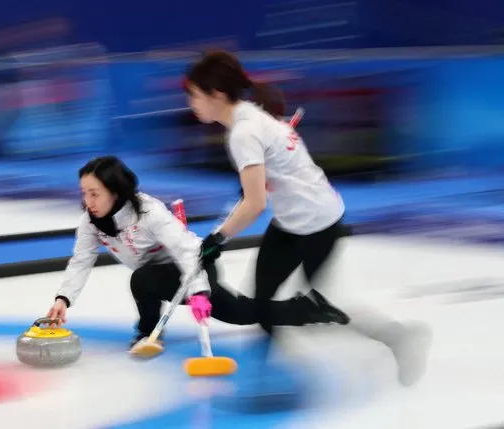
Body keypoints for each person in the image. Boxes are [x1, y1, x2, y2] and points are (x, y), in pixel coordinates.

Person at [183, 50, 431, 386]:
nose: (191, 103)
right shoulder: (251, 118)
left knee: (314, 304)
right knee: (264, 298)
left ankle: (398, 338)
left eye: (195, 95)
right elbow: (264, 186)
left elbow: (254, 204)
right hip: (296, 220)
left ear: (217, 94)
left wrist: (217, 239)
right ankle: (264, 376)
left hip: (315, 224)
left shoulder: (244, 132)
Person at [46, 156, 339, 350]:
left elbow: (186, 251)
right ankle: (149, 333)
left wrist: (198, 291)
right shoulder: (91, 221)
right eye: (84, 193)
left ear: (115, 191)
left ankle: (304, 310)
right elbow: (81, 259)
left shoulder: (148, 212)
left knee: (235, 312)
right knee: (146, 279)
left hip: (195, 266)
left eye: (94, 193)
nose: (88, 201)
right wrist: (63, 299)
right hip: (160, 276)